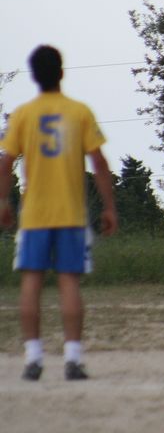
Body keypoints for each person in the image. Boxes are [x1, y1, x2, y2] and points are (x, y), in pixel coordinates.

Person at [0, 45, 118, 381]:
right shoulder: (78, 111)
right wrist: (109, 206)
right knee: (69, 282)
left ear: (34, 76)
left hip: (35, 215)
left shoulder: (23, 115)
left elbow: (5, 163)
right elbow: (99, 163)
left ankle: (33, 358)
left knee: (31, 282)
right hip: (71, 214)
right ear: (61, 72)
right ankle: (73, 359)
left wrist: (3, 202)